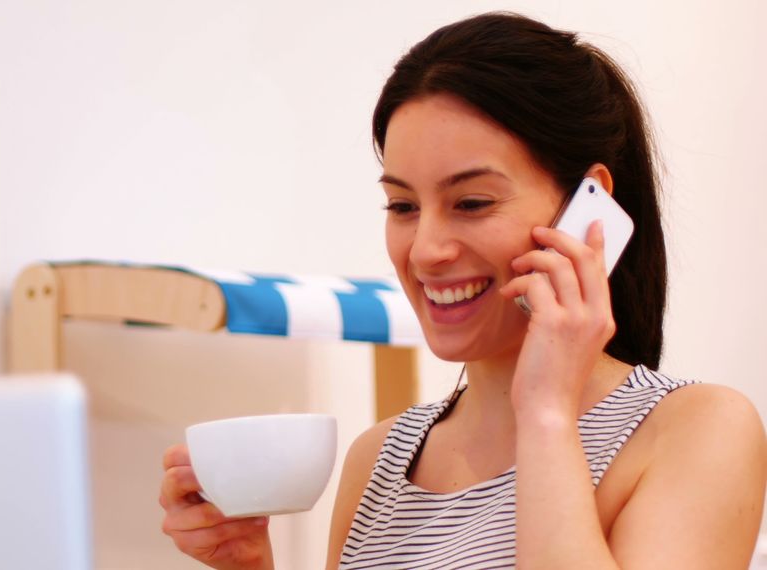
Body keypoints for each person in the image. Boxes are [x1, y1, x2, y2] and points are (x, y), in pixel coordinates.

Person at [158, 12, 767, 569]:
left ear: (592, 208)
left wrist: (547, 412)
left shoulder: (697, 430)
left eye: (471, 203)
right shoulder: (379, 462)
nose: (425, 249)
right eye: (402, 205)